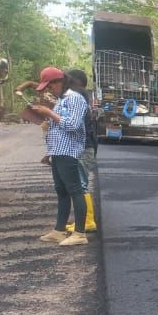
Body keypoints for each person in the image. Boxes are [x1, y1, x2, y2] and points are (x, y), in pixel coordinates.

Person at [29, 66, 89, 246]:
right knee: (61, 191)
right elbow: (59, 125)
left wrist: (49, 113)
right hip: (58, 151)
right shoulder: (62, 100)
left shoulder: (75, 98)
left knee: (75, 191)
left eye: (50, 86)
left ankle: (80, 233)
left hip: (68, 151)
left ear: (60, 82)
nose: (49, 90)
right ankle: (59, 230)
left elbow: (72, 125)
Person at [64, 69, 97, 233]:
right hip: (84, 146)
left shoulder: (78, 97)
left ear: (75, 83)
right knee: (79, 184)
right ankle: (82, 219)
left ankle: (88, 220)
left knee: (81, 185)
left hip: (84, 148)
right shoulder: (80, 96)